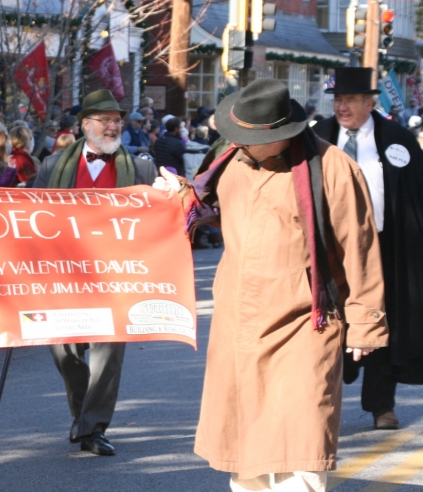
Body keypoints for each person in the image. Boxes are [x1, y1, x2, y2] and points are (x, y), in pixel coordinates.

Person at [154, 78, 387, 492]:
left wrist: (366, 322)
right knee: (245, 448)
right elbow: (206, 205)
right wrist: (179, 195)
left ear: (282, 134)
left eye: (248, 138)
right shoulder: (231, 158)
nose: (239, 143)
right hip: (238, 322)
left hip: (305, 322)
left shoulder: (332, 166)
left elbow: (360, 248)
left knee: (302, 441)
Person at [33, 89, 158, 457]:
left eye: (117, 121)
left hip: (114, 278)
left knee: (107, 356)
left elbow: (155, 221)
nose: (113, 126)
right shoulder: (52, 166)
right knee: (66, 353)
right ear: (85, 125)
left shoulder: (141, 167)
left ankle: (93, 427)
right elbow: (29, 219)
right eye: (105, 120)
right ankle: (82, 416)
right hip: (63, 276)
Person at [314, 67, 423, 431]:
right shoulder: (317, 137)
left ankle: (382, 406)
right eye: (338, 100)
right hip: (331, 250)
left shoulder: (396, 138)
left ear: (369, 102)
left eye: (350, 100)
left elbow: (416, 194)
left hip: (384, 245)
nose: (342, 107)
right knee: (330, 323)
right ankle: (321, 406)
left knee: (381, 321)